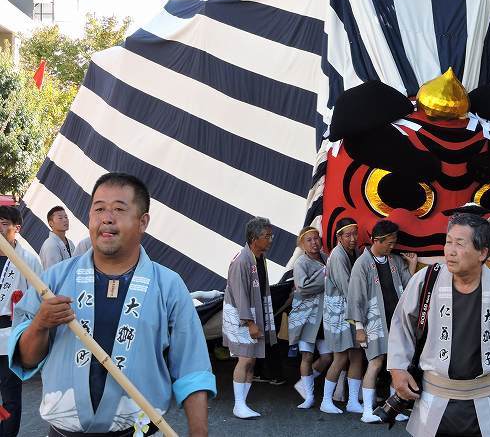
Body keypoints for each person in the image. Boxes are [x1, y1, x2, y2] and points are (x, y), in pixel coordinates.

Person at [10, 172, 215, 436]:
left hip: (140, 431)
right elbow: (26, 359)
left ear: (143, 222)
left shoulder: (168, 286)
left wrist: (199, 432)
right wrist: (40, 323)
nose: (107, 217)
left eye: (119, 209)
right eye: (99, 209)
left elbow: (192, 367)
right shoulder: (53, 280)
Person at [388, 213, 490, 436]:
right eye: (448, 241)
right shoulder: (426, 280)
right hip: (434, 397)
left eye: (459, 243)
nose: (450, 250)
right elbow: (401, 325)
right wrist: (397, 369)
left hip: (489, 399)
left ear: (482, 252)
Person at [347, 220, 416, 424]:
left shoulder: (394, 261)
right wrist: (359, 328)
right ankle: (367, 410)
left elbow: (409, 285)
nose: (392, 246)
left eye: (394, 242)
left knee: (397, 364)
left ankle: (393, 409)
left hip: (395, 320)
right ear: (377, 240)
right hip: (374, 320)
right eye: (389, 242)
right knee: (375, 363)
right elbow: (355, 297)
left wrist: (411, 265)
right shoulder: (362, 263)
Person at [222, 217, 277, 419]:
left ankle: (243, 403)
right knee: (244, 359)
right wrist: (251, 323)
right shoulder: (242, 260)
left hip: (253, 314)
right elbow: (240, 295)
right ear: (254, 238)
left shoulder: (259, 257)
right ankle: (238, 404)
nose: (271, 240)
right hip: (242, 317)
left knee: (251, 360)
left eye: (271, 235)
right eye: (267, 236)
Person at [0, 206, 43, 437]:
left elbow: (38, 299)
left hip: (10, 335)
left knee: (11, 399)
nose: (0, 227)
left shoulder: (28, 259)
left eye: (4, 223)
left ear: (17, 228)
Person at [320, 218, 364, 415]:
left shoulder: (352, 252)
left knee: (356, 356)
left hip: (350, 311)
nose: (353, 239)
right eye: (348, 235)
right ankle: (325, 401)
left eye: (355, 234)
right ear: (339, 237)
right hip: (340, 313)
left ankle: (353, 401)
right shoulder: (338, 256)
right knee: (340, 357)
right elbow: (348, 288)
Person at [288, 227, 332, 410]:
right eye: (309, 240)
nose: (314, 242)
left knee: (328, 356)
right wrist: (325, 277)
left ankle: (304, 384)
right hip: (306, 315)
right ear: (302, 244)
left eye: (316, 239)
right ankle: (309, 396)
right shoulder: (301, 263)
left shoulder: (325, 257)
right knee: (306, 355)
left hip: (324, 314)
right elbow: (303, 288)